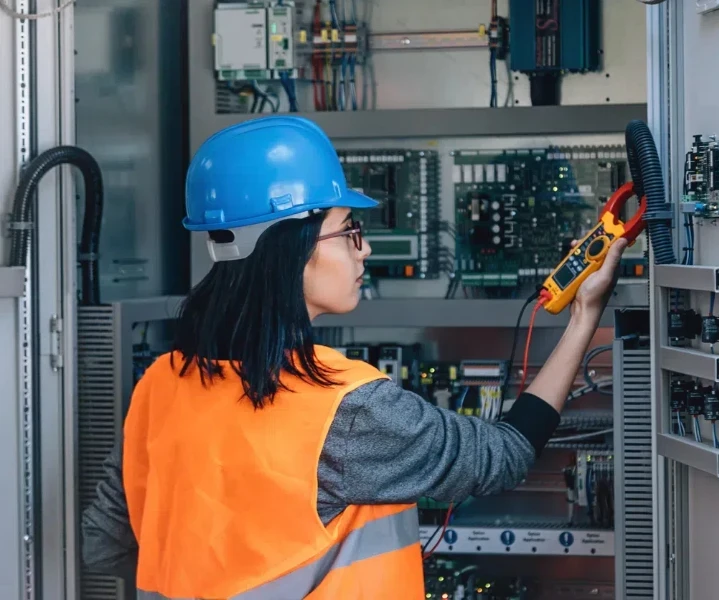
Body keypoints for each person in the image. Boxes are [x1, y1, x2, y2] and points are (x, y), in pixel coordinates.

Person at [81, 116, 627, 599]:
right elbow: (505, 454)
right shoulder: (345, 409)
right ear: (291, 248)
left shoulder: (159, 385)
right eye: (349, 232)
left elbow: (105, 546)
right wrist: (584, 317)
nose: (363, 249)